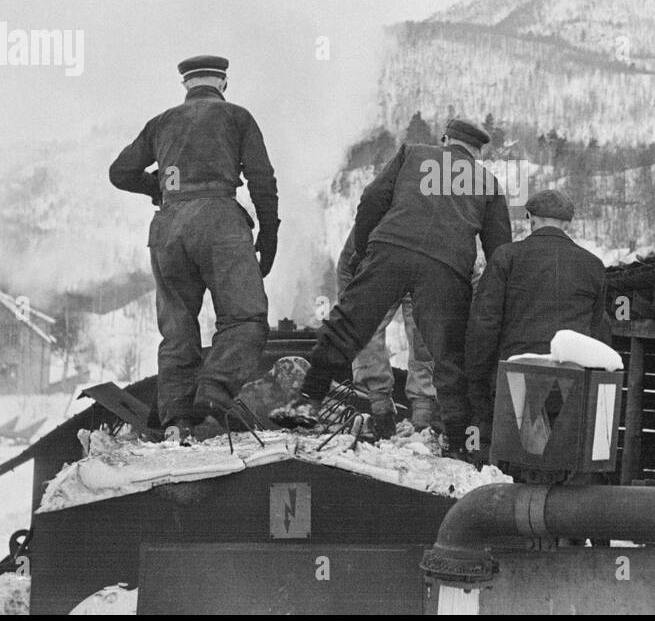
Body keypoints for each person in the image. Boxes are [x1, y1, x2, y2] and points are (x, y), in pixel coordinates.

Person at [288, 118, 511, 448]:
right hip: (446, 269)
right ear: (476, 152)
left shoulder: (412, 154)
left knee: (349, 326)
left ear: (445, 139)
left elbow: (372, 199)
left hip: (391, 250)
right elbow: (500, 251)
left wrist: (364, 251)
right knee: (448, 357)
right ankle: (459, 442)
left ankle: (308, 400)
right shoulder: (488, 183)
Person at [109, 54, 279, 443]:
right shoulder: (237, 116)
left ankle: (176, 421)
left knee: (177, 331)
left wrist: (160, 188)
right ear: (223, 83)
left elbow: (120, 172)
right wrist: (268, 232)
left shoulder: (161, 123)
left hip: (167, 228)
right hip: (219, 222)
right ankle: (212, 398)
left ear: (185, 85)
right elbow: (261, 177)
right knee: (245, 319)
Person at [463, 188, 610, 438]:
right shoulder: (593, 265)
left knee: (504, 453)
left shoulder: (507, 257)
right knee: (556, 450)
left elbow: (485, 322)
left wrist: (475, 377)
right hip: (570, 381)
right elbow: (598, 330)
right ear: (568, 223)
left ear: (531, 218)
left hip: (514, 377)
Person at [333, 234, 437, 435]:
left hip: (387, 260)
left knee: (368, 329)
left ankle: (386, 412)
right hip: (423, 259)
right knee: (424, 336)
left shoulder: (383, 208)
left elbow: (346, 264)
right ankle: (420, 417)